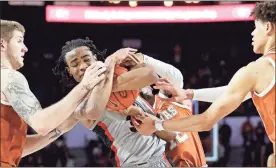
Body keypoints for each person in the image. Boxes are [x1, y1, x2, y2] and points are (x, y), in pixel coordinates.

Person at [133, 1, 276, 166]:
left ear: (267, 28)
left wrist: (156, 124)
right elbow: (236, 91)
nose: (252, 34)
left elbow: (206, 121)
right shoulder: (258, 74)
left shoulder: (257, 69)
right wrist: (190, 94)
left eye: (255, 27)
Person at [0, 20, 134, 167]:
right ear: (3, 44)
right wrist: (85, 85)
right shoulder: (9, 77)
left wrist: (61, 128)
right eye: (19, 41)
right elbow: (41, 124)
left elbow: (13, 150)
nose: (25, 48)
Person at [53, 38, 185, 167]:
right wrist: (111, 61)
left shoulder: (116, 76)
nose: (82, 66)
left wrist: (152, 123)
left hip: (162, 160)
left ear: (95, 58)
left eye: (86, 59)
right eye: (75, 64)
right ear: (69, 71)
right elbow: (95, 108)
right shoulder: (78, 103)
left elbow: (150, 75)